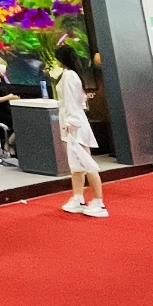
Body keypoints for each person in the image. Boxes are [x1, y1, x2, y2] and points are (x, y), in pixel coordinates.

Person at [57, 46, 107, 217]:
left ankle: (98, 201)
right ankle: (78, 197)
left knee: (86, 162)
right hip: (72, 122)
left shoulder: (69, 75)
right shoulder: (73, 74)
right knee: (76, 164)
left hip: (74, 124)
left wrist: (71, 122)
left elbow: (71, 101)